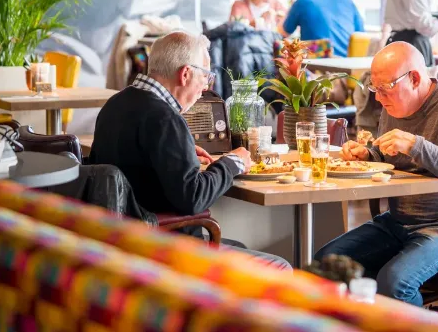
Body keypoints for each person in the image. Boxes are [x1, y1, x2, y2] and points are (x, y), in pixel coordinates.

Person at [89, 32, 290, 270]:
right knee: (280, 266)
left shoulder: (116, 103)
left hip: (123, 243)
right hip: (166, 248)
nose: (205, 87)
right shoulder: (165, 118)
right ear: (185, 74)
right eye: (205, 76)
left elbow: (133, 159)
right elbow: (193, 198)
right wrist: (233, 162)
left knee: (239, 246)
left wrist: (178, 149)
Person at [314, 42, 438, 306]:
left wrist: (416, 145)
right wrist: (369, 155)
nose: (377, 98)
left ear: (415, 79)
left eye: (384, 88)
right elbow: (388, 155)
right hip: (398, 220)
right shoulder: (392, 105)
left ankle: (406, 318)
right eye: (374, 88)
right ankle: (370, 318)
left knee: (395, 283)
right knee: (326, 264)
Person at [282, 0, 364, 57]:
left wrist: (289, 10)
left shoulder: (302, 2)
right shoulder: (347, 1)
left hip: (318, 63)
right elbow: (360, 34)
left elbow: (284, 33)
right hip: (348, 63)